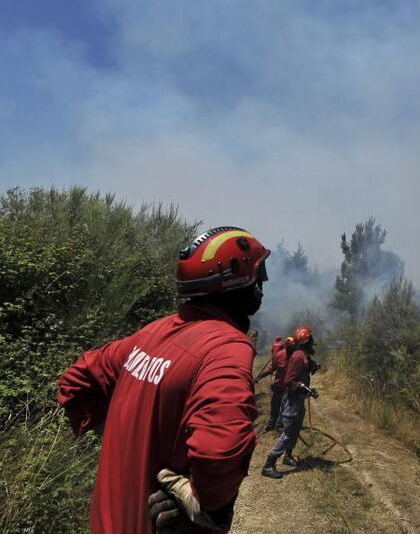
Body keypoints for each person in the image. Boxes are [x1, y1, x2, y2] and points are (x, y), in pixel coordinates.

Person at [58, 226, 270, 533]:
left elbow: (75, 379)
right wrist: (203, 502)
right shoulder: (225, 348)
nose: (262, 284)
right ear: (240, 281)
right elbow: (219, 449)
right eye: (258, 274)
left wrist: (119, 438)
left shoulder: (150, 334)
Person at [261, 325, 319, 479]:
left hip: (298, 400)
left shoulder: (304, 355)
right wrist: (304, 388)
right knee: (288, 433)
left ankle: (288, 456)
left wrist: (310, 368)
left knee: (296, 428)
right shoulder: (298, 356)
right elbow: (289, 381)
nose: (313, 343)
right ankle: (269, 464)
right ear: (306, 342)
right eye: (311, 340)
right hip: (293, 400)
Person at [255, 336, 293, 431]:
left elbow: (271, 369)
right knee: (282, 406)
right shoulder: (295, 355)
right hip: (286, 386)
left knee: (277, 405)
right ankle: (279, 425)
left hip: (283, 385)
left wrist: (260, 376)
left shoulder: (280, 354)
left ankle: (273, 424)